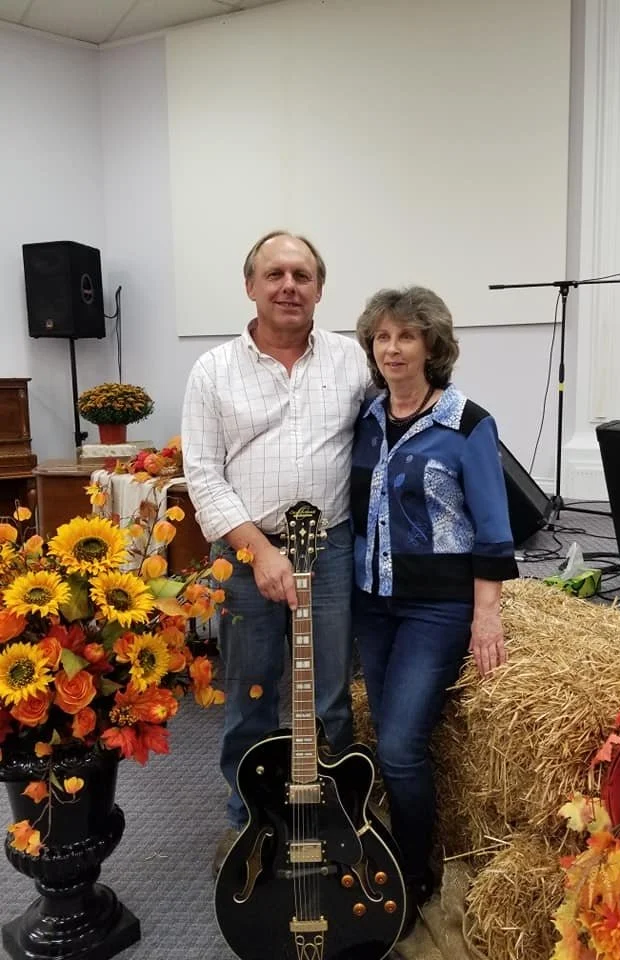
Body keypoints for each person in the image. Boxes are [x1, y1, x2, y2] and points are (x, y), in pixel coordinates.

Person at [181, 230, 371, 874]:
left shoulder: (353, 362)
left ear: (320, 289)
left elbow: (405, 411)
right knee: (252, 696)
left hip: (332, 547)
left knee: (329, 698)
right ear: (250, 286)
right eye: (275, 274)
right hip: (244, 552)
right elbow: (202, 474)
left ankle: (330, 824)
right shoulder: (212, 371)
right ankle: (249, 826)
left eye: (302, 275)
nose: (289, 285)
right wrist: (259, 550)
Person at [351, 285, 519, 924]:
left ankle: (411, 867)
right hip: (372, 603)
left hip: (436, 609)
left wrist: (487, 614)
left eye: (406, 337)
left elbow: (494, 527)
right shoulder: (365, 418)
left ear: (431, 346)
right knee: (381, 731)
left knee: (396, 746)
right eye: (382, 337)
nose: (392, 349)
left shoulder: (467, 423)